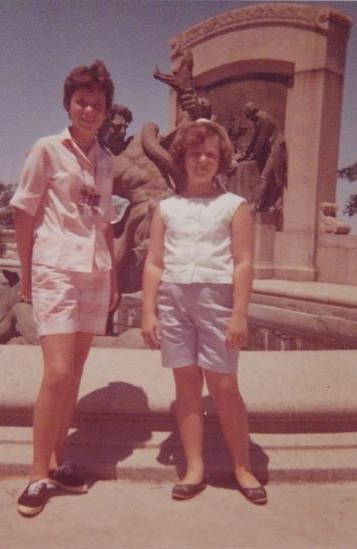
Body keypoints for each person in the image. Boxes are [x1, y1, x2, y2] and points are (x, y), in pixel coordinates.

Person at [10, 60, 119, 516]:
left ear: (106, 109)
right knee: (56, 373)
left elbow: (107, 223)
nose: (89, 109)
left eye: (97, 103)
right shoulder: (47, 149)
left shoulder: (107, 160)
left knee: (73, 375)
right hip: (55, 266)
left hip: (94, 271)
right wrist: (27, 275)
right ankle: (37, 474)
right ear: (68, 104)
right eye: (82, 102)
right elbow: (24, 211)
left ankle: (57, 461)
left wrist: (112, 277)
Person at [141, 119, 267, 505]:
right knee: (186, 387)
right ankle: (194, 466)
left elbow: (244, 263)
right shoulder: (167, 207)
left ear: (221, 159)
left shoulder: (234, 206)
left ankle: (242, 467)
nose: (202, 160)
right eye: (195, 153)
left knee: (224, 386)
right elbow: (154, 263)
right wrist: (149, 311)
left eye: (210, 154)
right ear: (182, 157)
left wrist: (240, 313)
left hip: (217, 301)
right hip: (174, 301)